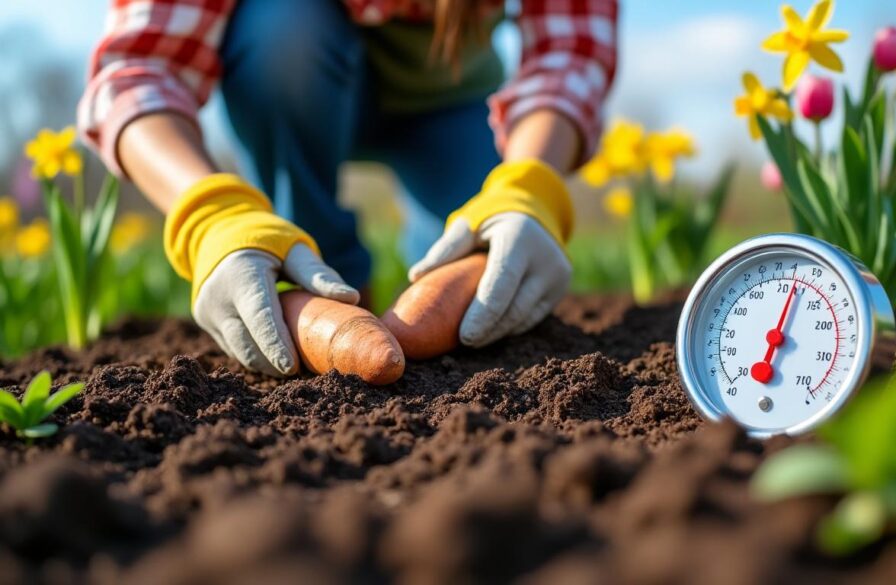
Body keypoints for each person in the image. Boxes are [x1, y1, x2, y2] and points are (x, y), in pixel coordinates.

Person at [78, 0, 618, 376]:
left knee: (473, 279)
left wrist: (528, 187)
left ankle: (392, 323)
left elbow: (570, 52)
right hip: (299, 78)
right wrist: (212, 214)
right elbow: (139, 70)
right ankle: (329, 298)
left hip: (453, 102)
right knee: (280, 35)